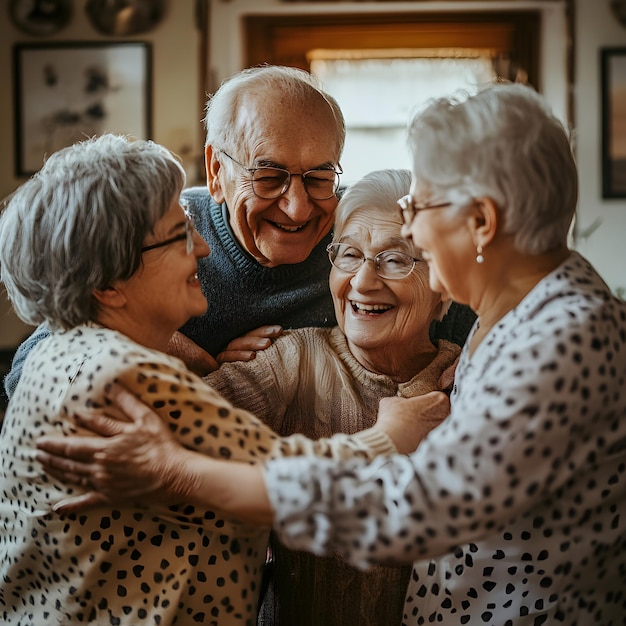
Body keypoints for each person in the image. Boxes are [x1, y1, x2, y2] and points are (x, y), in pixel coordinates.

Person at [39, 83, 626, 625]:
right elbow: (68, 337)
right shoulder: (518, 314)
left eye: (417, 215)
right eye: (351, 255)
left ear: (481, 223)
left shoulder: (556, 339)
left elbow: (406, 513)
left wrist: (180, 471)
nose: (411, 232)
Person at [0, 134, 444, 626]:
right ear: (108, 284)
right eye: (179, 233)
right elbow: (286, 480)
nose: (206, 247)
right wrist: (389, 438)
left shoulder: (69, 356)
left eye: (397, 259)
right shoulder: (126, 378)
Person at [3, 64, 476, 397]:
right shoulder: (166, 235)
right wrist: (167, 349)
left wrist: (484, 350)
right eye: (268, 176)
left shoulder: (359, 230)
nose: (297, 207)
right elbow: (27, 371)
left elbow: (463, 303)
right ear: (215, 171)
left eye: (319, 176)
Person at [204, 168, 460, 626]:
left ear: (444, 285)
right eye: (349, 255)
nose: (362, 282)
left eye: (396, 260)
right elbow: (180, 428)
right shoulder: (294, 362)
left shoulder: (473, 379)